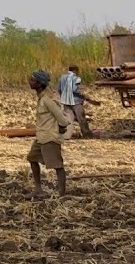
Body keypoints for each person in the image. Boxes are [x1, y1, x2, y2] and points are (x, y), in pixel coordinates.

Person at [29, 70, 71, 198]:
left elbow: (62, 120)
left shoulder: (47, 100)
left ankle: (62, 195)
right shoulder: (42, 97)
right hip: (41, 137)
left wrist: (61, 129)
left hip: (49, 137)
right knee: (32, 158)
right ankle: (38, 189)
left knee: (58, 166)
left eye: (33, 80)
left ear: (39, 84)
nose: (30, 82)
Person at [57, 65, 100, 139]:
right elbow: (75, 90)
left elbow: (59, 89)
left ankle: (66, 136)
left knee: (68, 119)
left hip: (65, 101)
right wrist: (84, 96)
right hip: (75, 101)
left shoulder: (62, 77)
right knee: (81, 118)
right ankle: (87, 134)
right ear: (75, 71)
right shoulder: (75, 78)